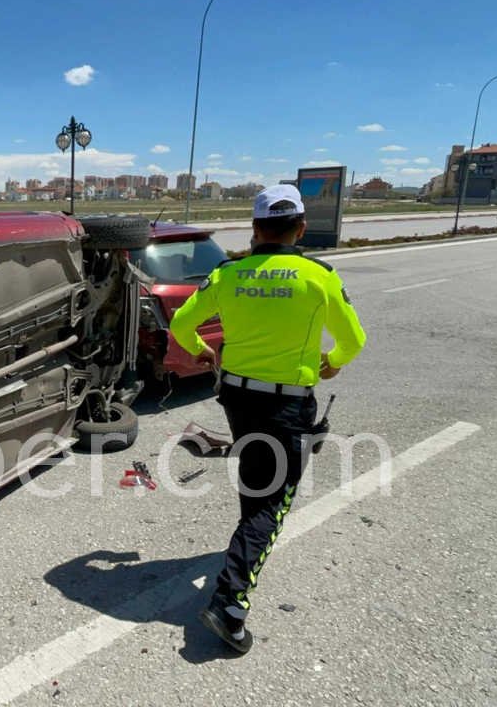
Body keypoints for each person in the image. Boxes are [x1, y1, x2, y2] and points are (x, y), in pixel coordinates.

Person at [169, 184, 366, 654]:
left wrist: (205, 352)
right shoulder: (316, 275)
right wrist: (333, 360)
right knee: (271, 504)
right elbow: (354, 340)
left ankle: (245, 545)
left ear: (255, 230)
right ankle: (230, 605)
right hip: (287, 404)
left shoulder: (228, 274)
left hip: (237, 396)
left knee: (257, 481)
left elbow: (180, 325)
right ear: (300, 228)